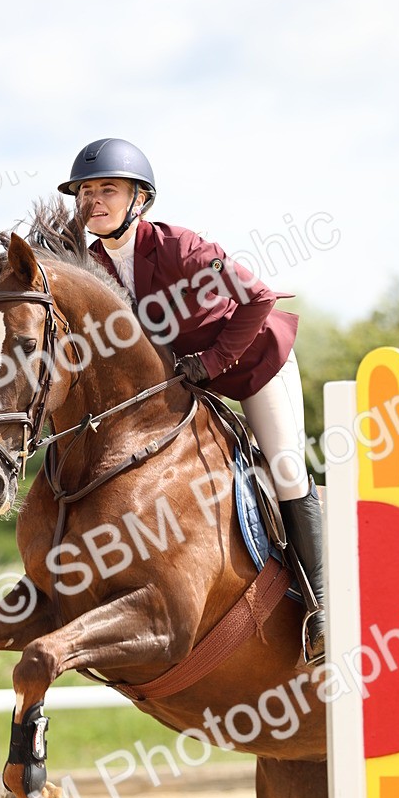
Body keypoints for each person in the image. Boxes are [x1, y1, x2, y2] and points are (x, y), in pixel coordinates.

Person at [58, 138, 325, 663]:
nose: (94, 200)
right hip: (188, 381)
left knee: (287, 468)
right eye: (86, 190)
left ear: (141, 200)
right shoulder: (90, 266)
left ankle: (324, 610)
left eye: (107, 189)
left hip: (252, 362)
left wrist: (211, 363)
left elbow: (261, 298)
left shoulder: (182, 247)